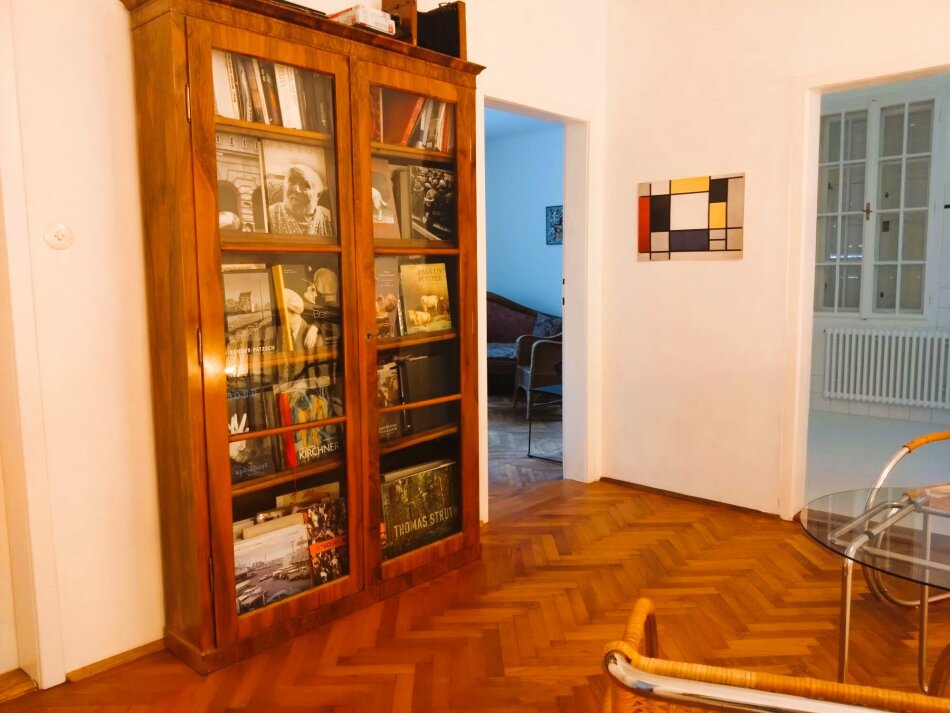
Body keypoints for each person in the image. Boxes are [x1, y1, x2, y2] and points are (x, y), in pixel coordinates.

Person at [268, 164, 332, 236]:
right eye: (292, 182)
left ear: (318, 195)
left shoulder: (329, 218)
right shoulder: (269, 214)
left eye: (305, 185)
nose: (296, 189)